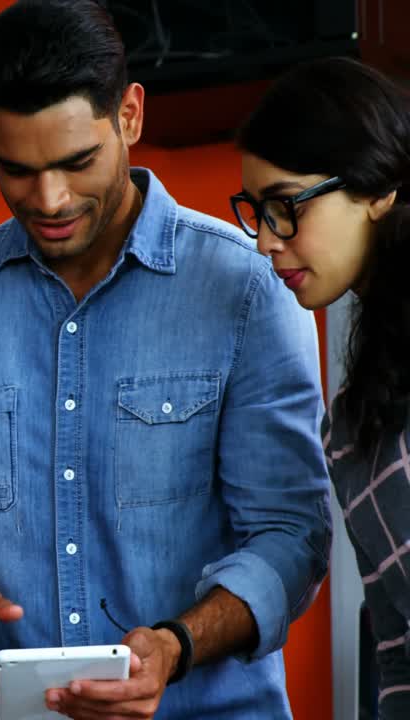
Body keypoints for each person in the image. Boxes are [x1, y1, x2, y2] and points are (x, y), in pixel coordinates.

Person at [0, 1, 331, 718]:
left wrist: (176, 646)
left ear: (130, 116)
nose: (48, 199)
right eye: (16, 169)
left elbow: (290, 535)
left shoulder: (245, 290)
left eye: (76, 162)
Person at [233, 56, 410, 718]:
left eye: (285, 207)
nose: (263, 242)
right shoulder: (351, 419)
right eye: (256, 211)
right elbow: (394, 645)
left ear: (377, 186)